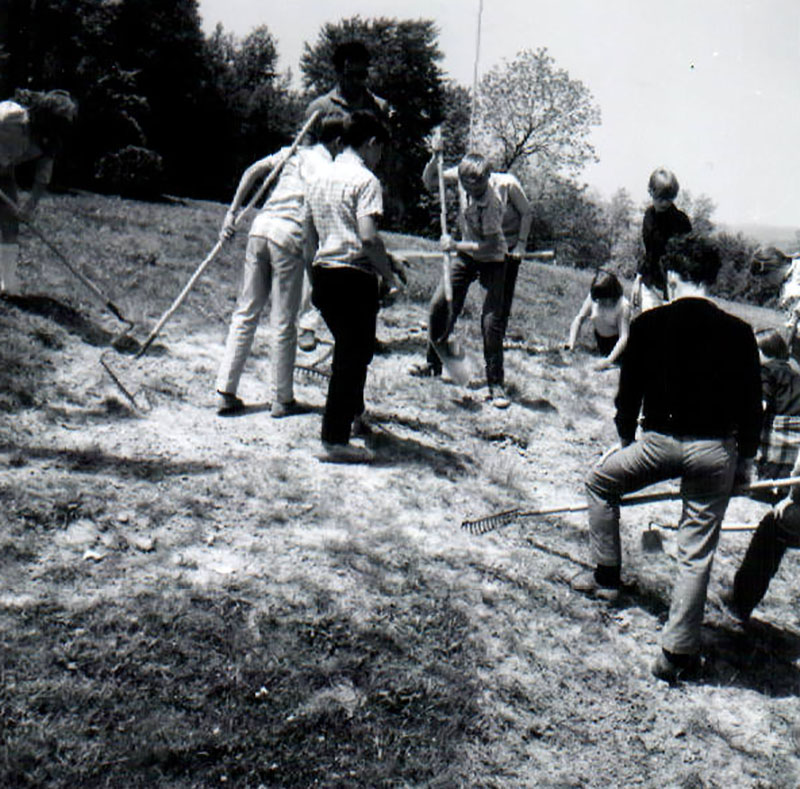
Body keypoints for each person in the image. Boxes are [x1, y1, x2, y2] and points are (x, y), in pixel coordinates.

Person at [572, 234, 762, 683]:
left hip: (658, 443)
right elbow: (751, 408)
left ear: (673, 277)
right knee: (695, 552)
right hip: (716, 452)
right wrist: (745, 462)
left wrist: (623, 442)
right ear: (710, 278)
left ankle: (606, 578)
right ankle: (677, 656)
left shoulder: (649, 325)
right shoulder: (740, 332)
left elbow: (627, 398)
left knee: (600, 484)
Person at [214, 113, 345, 418]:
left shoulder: (293, 152)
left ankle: (225, 391)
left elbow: (252, 171)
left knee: (245, 311)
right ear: (337, 142)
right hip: (288, 236)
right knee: (284, 320)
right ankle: (282, 398)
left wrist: (232, 212)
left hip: (260, 229)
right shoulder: (326, 166)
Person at [306, 110, 403, 463]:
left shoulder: (320, 177)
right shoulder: (366, 181)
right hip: (353, 277)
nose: (380, 159)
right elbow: (368, 237)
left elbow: (308, 237)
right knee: (350, 358)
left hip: (324, 272)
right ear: (372, 143)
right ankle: (334, 440)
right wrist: (389, 279)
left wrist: (313, 275)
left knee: (356, 351)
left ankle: (355, 416)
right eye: (381, 151)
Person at [412, 147, 529, 409]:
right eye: (469, 187)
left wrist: (455, 246)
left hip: (493, 259)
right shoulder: (463, 175)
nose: (474, 191)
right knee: (439, 305)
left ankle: (495, 384)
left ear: (487, 179)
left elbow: (488, 246)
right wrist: (433, 158)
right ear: (463, 180)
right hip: (466, 255)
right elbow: (430, 182)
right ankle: (433, 364)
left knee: (491, 321)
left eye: (479, 187)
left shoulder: (493, 203)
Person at [300, 40, 392, 352]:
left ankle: (363, 330)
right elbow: (302, 153)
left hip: (361, 189)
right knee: (321, 251)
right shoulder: (320, 108)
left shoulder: (376, 106)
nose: (358, 81)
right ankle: (309, 324)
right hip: (325, 189)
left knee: (364, 254)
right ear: (339, 72)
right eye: (352, 75)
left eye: (363, 75)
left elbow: (382, 146)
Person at [723, 331, 800, 622]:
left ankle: (740, 603)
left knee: (773, 527)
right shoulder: (793, 377)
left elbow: (759, 409)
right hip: (789, 463)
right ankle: (741, 602)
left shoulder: (767, 372)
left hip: (783, 464)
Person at [0, 89, 78, 294]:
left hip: (5, 172)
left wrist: (29, 207)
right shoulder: (8, 119)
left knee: (10, 223)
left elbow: (43, 176)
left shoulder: (50, 141)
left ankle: (8, 284)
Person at [632, 168, 692, 313]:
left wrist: (676, 274)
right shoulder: (649, 217)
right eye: (660, 198)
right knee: (649, 325)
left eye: (669, 198)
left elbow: (687, 255)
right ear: (651, 192)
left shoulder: (681, 221)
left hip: (674, 285)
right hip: (651, 281)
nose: (665, 203)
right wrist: (638, 278)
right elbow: (649, 251)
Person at [566, 269, 632, 370]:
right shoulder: (595, 297)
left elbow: (624, 337)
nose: (600, 303)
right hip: (601, 341)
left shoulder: (623, 306)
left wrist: (608, 361)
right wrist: (571, 344)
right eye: (598, 300)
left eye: (604, 300)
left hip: (620, 346)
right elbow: (579, 319)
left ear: (612, 296)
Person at [749, 246, 800, 363]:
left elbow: (794, 319)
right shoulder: (789, 277)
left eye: (764, 279)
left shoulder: (794, 283)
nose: (764, 284)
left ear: (772, 268)